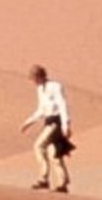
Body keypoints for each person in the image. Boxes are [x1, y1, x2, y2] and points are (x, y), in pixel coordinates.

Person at [18, 63, 73, 193]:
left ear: (40, 76)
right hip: (48, 122)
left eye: (34, 78)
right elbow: (41, 110)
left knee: (38, 146)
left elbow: (62, 105)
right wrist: (28, 122)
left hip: (57, 122)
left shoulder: (55, 87)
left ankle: (43, 179)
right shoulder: (40, 89)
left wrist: (66, 125)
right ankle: (62, 184)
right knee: (54, 154)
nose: (33, 81)